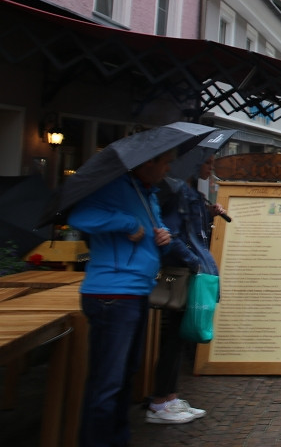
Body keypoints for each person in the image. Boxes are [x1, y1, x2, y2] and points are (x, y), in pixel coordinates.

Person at [67, 149, 176, 447]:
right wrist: (127, 223)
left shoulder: (149, 193)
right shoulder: (113, 188)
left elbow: (153, 232)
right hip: (112, 293)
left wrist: (164, 237)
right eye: (165, 162)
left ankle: (117, 439)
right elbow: (81, 216)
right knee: (108, 381)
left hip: (136, 291)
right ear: (147, 161)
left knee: (125, 376)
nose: (168, 169)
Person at [147, 154, 227, 425]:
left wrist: (207, 214)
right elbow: (173, 234)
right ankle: (160, 401)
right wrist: (193, 262)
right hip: (182, 273)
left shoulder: (190, 192)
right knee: (172, 336)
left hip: (190, 268)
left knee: (178, 336)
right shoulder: (180, 191)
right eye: (207, 162)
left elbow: (190, 229)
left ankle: (169, 397)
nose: (211, 167)